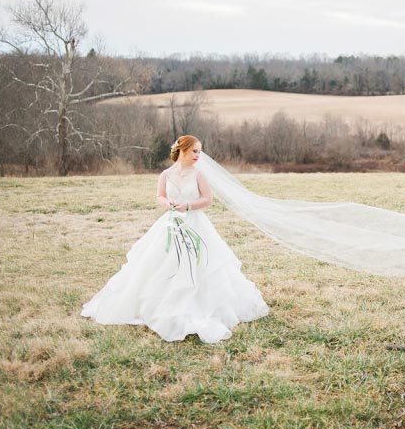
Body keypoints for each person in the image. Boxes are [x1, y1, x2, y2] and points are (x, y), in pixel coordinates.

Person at [80, 135, 269, 343]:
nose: (199, 155)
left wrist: (188, 206)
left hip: (195, 224)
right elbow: (159, 196)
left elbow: (208, 199)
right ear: (183, 150)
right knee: (159, 262)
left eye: (200, 151)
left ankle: (198, 304)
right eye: (195, 151)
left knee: (201, 264)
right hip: (170, 223)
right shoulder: (166, 175)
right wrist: (167, 204)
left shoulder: (199, 174)